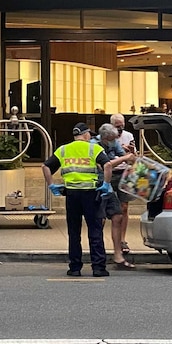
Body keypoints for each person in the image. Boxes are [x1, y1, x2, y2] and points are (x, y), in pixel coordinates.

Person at [42, 122, 114, 277]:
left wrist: (51, 185)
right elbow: (107, 165)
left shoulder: (63, 149)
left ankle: (75, 267)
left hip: (72, 195)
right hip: (91, 193)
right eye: (90, 134)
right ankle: (98, 268)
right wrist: (106, 184)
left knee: (74, 232)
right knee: (95, 230)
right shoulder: (93, 148)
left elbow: (46, 166)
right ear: (86, 134)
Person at [93, 123, 136, 269]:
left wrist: (131, 157)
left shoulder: (114, 141)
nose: (114, 141)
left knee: (117, 215)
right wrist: (124, 159)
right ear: (104, 138)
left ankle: (118, 255)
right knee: (99, 219)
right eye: (111, 139)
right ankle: (98, 255)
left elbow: (124, 156)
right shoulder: (94, 145)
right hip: (97, 183)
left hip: (108, 184)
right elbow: (106, 165)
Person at [110, 113, 136, 257]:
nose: (120, 130)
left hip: (124, 172)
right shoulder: (107, 136)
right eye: (117, 127)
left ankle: (122, 239)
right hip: (111, 171)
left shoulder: (128, 136)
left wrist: (130, 152)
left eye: (122, 127)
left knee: (124, 207)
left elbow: (134, 157)